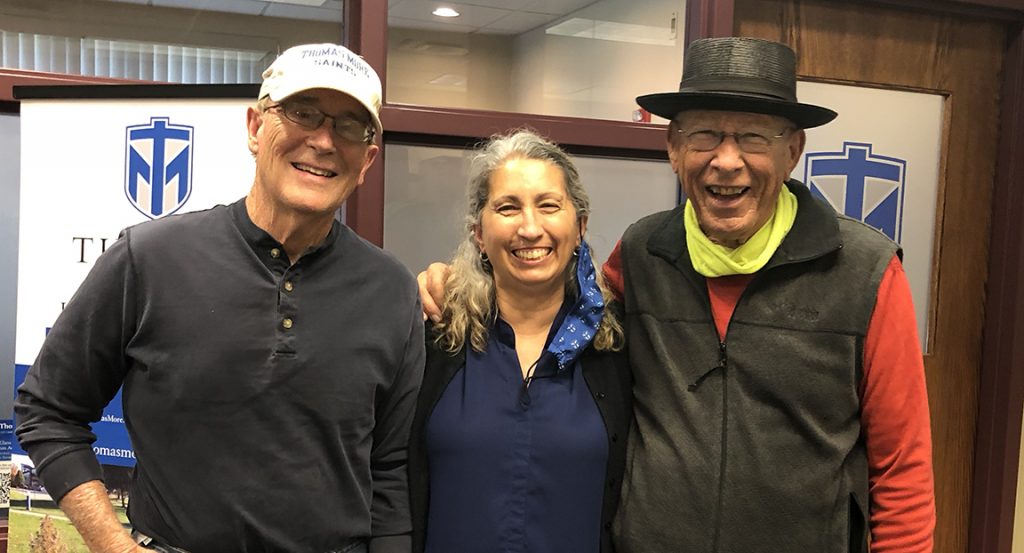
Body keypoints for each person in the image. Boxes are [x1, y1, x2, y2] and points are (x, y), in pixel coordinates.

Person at [419, 37, 935, 552]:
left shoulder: (864, 271)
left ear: (792, 150)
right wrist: (458, 283)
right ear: (673, 147)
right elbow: (551, 289)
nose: (726, 160)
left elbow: (902, 471)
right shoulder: (643, 254)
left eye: (753, 137)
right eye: (705, 135)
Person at [15, 43, 424, 553]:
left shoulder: (391, 290)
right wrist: (112, 544)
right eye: (302, 113)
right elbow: (48, 411)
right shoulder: (149, 258)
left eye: (348, 126)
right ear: (255, 127)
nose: (322, 140)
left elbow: (388, 470)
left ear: (366, 160)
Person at [407, 130, 631, 553]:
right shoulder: (431, 338)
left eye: (549, 205)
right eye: (508, 208)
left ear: (580, 226)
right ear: (478, 233)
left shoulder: (620, 347)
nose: (530, 228)